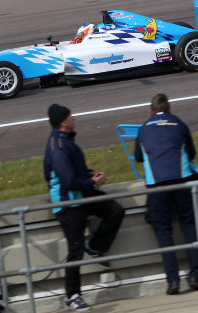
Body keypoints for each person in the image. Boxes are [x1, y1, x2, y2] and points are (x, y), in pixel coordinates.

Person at [44, 103, 125, 312]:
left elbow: (74, 171)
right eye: (71, 116)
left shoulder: (63, 141)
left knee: (115, 211)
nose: (75, 118)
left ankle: (96, 247)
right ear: (64, 122)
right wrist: (93, 183)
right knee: (75, 251)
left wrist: (90, 175)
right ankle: (72, 296)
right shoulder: (59, 147)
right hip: (68, 205)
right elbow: (69, 180)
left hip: (81, 196)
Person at [134, 94, 198, 295]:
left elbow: (138, 157)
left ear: (150, 110)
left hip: (156, 185)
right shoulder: (179, 123)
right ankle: (195, 276)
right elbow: (191, 153)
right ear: (170, 109)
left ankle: (172, 281)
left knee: (163, 231)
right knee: (189, 225)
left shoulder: (144, 127)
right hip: (181, 180)